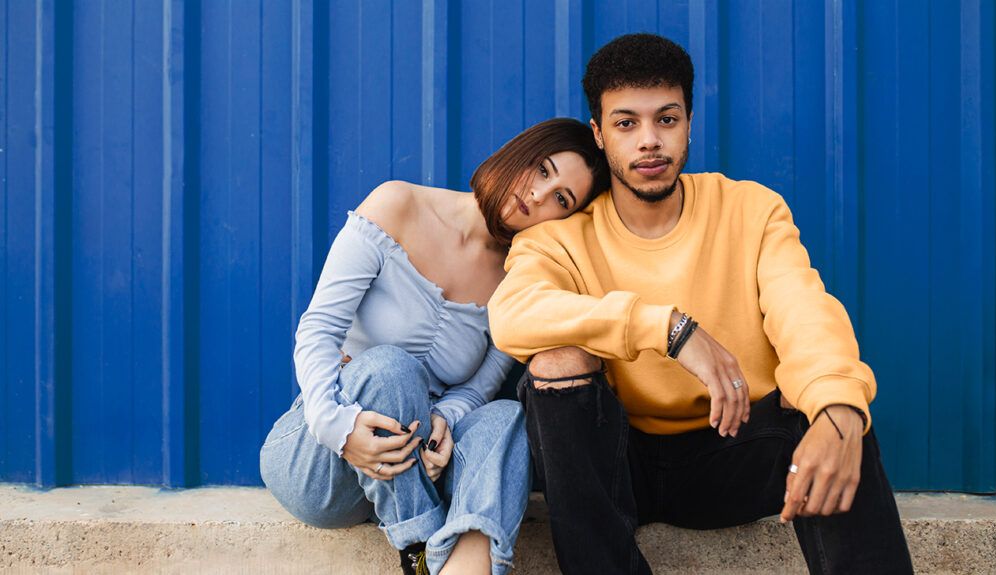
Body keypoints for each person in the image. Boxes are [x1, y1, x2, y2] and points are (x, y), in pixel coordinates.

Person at [489, 34, 914, 574]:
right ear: (598, 134)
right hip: (616, 467)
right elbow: (511, 315)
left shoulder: (751, 210)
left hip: (733, 451)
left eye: (666, 120)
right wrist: (666, 327)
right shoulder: (557, 239)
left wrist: (840, 408)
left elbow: (804, 311)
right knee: (555, 364)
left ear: (689, 122)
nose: (649, 141)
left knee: (834, 411)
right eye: (626, 123)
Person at [260, 118, 610, 575]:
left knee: (508, 415)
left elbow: (478, 391)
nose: (539, 195)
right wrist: (340, 430)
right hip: (324, 461)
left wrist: (443, 421)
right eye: (543, 170)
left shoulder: (519, 279)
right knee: (389, 368)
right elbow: (318, 329)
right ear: (519, 152)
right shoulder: (398, 204)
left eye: (562, 199)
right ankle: (418, 550)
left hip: (422, 469)